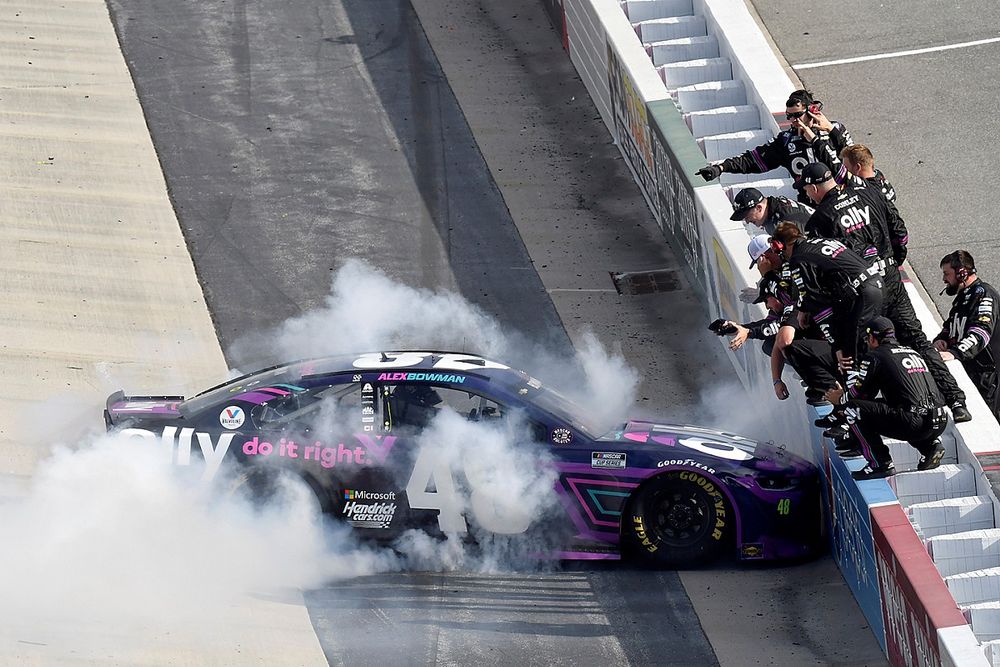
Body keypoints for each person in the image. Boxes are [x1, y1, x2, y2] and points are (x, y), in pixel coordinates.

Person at [800, 163, 970, 421]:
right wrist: (894, 262)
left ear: (813, 188)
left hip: (863, 292)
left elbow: (828, 271)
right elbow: (900, 231)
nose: (808, 196)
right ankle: (957, 401)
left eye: (807, 191)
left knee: (862, 353)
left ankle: (853, 417)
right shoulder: (868, 192)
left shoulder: (820, 220)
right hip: (891, 279)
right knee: (917, 340)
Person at [821, 317, 949, 480]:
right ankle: (930, 446)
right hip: (939, 420)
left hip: (914, 422)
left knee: (852, 407)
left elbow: (858, 393)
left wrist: (839, 399)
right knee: (897, 407)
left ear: (873, 338)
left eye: (867, 339)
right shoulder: (912, 351)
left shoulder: (875, 356)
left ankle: (879, 463)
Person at [695, 89, 853, 204]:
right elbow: (752, 160)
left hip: (844, 197)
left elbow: (856, 159)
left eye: (797, 115)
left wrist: (831, 132)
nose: (793, 120)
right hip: (812, 204)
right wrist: (721, 168)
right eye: (789, 116)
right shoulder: (785, 141)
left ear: (812, 110)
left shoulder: (835, 129)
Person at [771, 222, 883, 372]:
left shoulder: (798, 260)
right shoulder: (824, 240)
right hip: (877, 284)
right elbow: (869, 249)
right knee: (870, 343)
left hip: (862, 296)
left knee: (848, 359)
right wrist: (803, 308)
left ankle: (855, 391)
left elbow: (820, 310)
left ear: (780, 245)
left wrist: (836, 346)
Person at [935, 251, 1000, 420]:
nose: (944, 280)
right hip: (972, 370)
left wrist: (955, 353)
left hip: (989, 375)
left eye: (946, 274)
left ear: (962, 272)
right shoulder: (963, 297)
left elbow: (981, 333)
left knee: (990, 423)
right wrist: (941, 339)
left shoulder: (984, 294)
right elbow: (951, 326)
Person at [729, 187, 814, 234]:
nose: (747, 221)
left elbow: (801, 252)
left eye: (746, 216)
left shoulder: (782, 221)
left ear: (759, 208)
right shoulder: (775, 209)